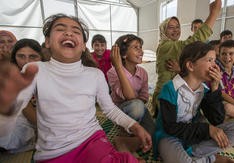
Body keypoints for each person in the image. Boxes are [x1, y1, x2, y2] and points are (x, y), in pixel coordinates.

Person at [0, 14, 151, 162]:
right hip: (53, 152)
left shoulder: (95, 75)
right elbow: (14, 109)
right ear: (47, 41)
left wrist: (134, 125)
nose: (69, 32)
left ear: (83, 46)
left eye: (76, 31)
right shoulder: (34, 69)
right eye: (60, 28)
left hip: (92, 141)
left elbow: (109, 109)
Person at [153, 41, 234, 163]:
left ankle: (192, 154)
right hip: (169, 137)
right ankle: (210, 158)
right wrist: (207, 129)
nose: (215, 66)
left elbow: (217, 120)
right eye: (209, 60)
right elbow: (170, 127)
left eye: (214, 60)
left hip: (192, 136)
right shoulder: (170, 89)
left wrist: (214, 89)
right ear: (191, 66)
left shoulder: (205, 90)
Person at [152, 0, 222, 117]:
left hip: (178, 94)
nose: (175, 30)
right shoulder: (166, 46)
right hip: (165, 98)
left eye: (177, 27)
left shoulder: (175, 45)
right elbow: (193, 43)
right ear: (164, 30)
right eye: (170, 27)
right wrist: (213, 14)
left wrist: (180, 69)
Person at [107, 34, 155, 154]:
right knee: (136, 106)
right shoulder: (113, 72)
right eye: (135, 47)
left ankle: (123, 141)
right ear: (123, 55)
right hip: (120, 111)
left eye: (140, 47)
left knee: (154, 134)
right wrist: (118, 66)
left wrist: (139, 103)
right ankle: (125, 131)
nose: (141, 51)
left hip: (138, 108)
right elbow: (130, 97)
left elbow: (144, 98)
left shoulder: (143, 72)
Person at [0, 39, 43, 153]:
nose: (27, 61)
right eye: (21, 56)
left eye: (33, 56)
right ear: (14, 57)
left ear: (42, 57)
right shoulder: (13, 76)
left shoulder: (48, 74)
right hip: (24, 119)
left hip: (42, 120)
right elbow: (25, 108)